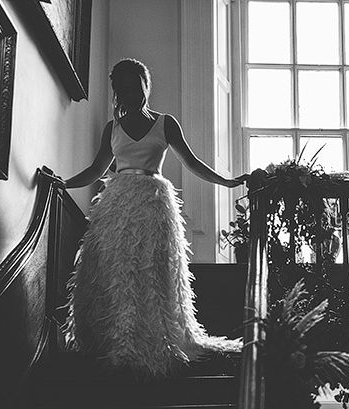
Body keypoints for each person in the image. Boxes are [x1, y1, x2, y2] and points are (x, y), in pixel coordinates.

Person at [56, 59, 247, 377]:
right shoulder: (112, 129)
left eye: (134, 87)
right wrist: (62, 183)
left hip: (153, 203)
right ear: (117, 92)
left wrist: (228, 182)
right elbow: (95, 171)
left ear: (146, 85)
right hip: (117, 204)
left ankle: (154, 339)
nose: (129, 94)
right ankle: (117, 338)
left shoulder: (165, 123)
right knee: (117, 271)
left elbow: (192, 162)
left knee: (151, 272)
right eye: (122, 89)